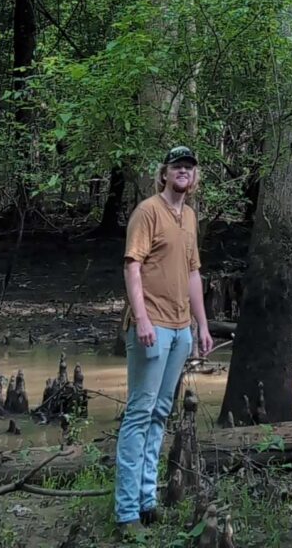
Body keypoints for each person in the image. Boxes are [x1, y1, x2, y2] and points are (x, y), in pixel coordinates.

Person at [116, 145, 213, 531]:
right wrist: (140, 319)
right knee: (139, 414)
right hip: (151, 325)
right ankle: (126, 514)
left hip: (180, 329)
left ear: (194, 176)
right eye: (177, 166)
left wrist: (201, 325)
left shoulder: (189, 216)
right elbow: (132, 267)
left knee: (160, 413)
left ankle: (147, 500)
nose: (183, 172)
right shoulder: (147, 211)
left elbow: (193, 274)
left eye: (189, 167)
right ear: (165, 173)